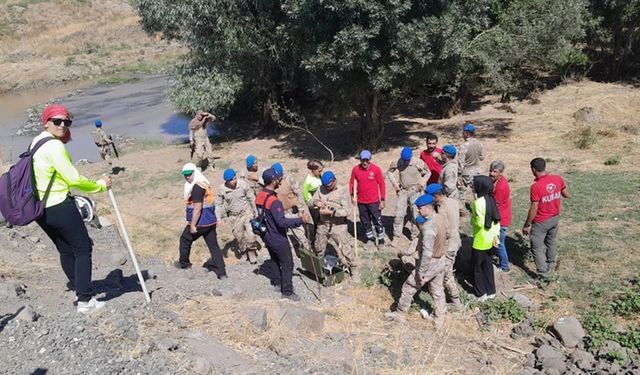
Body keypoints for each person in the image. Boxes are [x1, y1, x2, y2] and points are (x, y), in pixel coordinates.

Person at [32, 104, 112, 313]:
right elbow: (73, 178)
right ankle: (85, 301)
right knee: (83, 248)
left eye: (66, 122)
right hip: (59, 205)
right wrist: (100, 185)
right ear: (46, 122)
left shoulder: (36, 142)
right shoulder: (54, 146)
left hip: (40, 210)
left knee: (66, 249)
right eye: (57, 121)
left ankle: (79, 290)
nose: (62, 125)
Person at [384, 194, 447, 329]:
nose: (417, 210)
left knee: (409, 286)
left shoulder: (428, 227)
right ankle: (440, 318)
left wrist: (421, 272)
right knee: (437, 290)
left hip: (430, 262)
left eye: (419, 208)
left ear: (427, 208)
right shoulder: (440, 218)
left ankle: (400, 314)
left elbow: (427, 253)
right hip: (441, 259)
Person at [256, 168, 311, 301]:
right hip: (278, 237)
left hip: (266, 235)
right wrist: (300, 220)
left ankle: (276, 282)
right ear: (273, 181)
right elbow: (282, 222)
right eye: (278, 179)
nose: (280, 181)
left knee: (274, 259)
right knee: (287, 263)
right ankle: (287, 291)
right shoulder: (274, 202)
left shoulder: (260, 196)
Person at [177, 163, 227, 279]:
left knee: (185, 239)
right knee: (214, 246)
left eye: (189, 174)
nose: (187, 177)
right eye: (185, 175)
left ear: (195, 172)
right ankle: (222, 273)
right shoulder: (204, 183)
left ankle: (184, 265)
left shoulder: (197, 187)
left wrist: (193, 225)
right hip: (210, 221)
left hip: (200, 223)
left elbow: (197, 208)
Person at [522, 157, 569, 282]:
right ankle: (551, 264)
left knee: (536, 248)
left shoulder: (536, 187)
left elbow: (534, 207)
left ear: (533, 170)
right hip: (554, 218)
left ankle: (543, 273)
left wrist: (527, 224)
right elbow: (565, 193)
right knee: (551, 242)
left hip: (541, 222)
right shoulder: (557, 179)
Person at [312, 171, 359, 282]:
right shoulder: (320, 189)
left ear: (334, 181)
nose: (327, 188)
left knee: (346, 249)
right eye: (326, 186)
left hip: (338, 225)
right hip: (323, 224)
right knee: (319, 247)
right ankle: (320, 270)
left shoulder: (342, 191)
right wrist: (315, 202)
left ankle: (354, 270)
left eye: (329, 186)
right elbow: (311, 201)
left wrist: (332, 213)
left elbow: (347, 211)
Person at [426, 183, 464, 310]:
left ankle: (455, 301)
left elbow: (445, 230)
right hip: (456, 238)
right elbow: (463, 211)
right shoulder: (453, 201)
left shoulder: (442, 210)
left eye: (431, 197)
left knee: (446, 272)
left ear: (436, 196)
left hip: (449, 243)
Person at [216, 169, 261, 264]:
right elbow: (218, 205)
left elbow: (251, 198)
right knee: (239, 236)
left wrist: (256, 212)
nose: (234, 181)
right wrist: (218, 218)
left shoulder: (243, 184)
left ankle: (251, 251)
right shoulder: (222, 189)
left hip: (246, 213)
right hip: (234, 217)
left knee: (250, 234)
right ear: (227, 181)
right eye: (232, 180)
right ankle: (244, 250)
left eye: (235, 178)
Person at [386, 147, 429, 246]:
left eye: (407, 160)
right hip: (403, 191)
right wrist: (395, 185)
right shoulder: (397, 162)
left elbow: (428, 173)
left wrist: (421, 184)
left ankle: (415, 236)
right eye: (404, 160)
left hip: (415, 190)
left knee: (415, 214)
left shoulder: (418, 162)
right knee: (398, 214)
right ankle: (396, 236)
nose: (405, 162)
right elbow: (389, 172)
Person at [470, 175, 501, 302]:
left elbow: (478, 223)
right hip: (491, 238)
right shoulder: (491, 199)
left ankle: (480, 293)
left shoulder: (477, 203)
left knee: (477, 268)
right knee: (488, 265)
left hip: (480, 239)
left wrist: (471, 219)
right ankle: (491, 291)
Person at [349, 150, 386, 248]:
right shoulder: (355, 169)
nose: (364, 162)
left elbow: (382, 184)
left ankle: (381, 240)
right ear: (360, 159)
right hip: (361, 201)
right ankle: (370, 239)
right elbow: (352, 183)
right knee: (365, 221)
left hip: (374, 201)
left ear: (370, 159)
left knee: (377, 220)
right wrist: (352, 196)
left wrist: (382, 200)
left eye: (366, 160)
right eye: (362, 160)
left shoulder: (376, 169)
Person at [272, 163, 310, 252]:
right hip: (281, 212)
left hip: (292, 211)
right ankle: (293, 250)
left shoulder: (289, 180)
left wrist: (301, 210)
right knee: (285, 234)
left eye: (279, 176)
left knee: (299, 233)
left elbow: (299, 195)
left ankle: (308, 251)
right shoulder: (272, 183)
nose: (277, 179)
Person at [489, 160, 512, 273]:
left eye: (495, 172)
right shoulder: (498, 182)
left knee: (498, 243)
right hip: (501, 216)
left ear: (501, 173)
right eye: (491, 170)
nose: (492, 174)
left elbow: (495, 204)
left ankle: (504, 266)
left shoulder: (501, 187)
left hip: (500, 220)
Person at [458, 124, 485, 206]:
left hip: (466, 172)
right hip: (477, 171)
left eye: (463, 132)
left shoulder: (464, 146)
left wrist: (459, 174)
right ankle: (480, 209)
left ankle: (461, 210)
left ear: (466, 133)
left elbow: (460, 162)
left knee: (461, 193)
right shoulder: (480, 144)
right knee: (477, 192)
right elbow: (482, 157)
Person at [302, 160, 324, 242]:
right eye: (319, 171)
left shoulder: (318, 176)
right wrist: (313, 203)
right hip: (314, 205)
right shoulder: (308, 180)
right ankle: (316, 240)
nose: (320, 172)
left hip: (321, 202)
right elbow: (305, 195)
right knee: (317, 222)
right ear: (313, 169)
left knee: (322, 221)